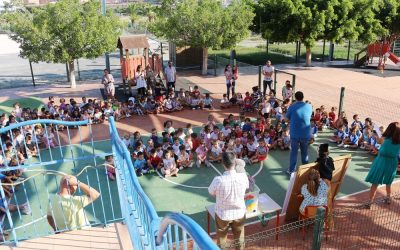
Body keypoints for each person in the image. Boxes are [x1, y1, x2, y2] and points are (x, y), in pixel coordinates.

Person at [208, 152, 249, 249]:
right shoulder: (243, 177)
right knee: (239, 238)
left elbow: (211, 192)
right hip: (239, 213)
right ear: (235, 163)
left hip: (222, 214)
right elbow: (247, 188)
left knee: (222, 239)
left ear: (223, 164)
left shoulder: (218, 180)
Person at [365, 122, 400, 208]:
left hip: (381, 161)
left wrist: (376, 135)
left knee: (375, 182)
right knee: (388, 182)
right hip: (392, 163)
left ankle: (370, 202)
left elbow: (378, 141)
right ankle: (388, 198)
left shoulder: (384, 139)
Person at [285, 91, 312, 175]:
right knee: (305, 152)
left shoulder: (292, 107)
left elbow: (286, 119)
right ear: (303, 97)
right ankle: (305, 169)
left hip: (295, 134)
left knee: (294, 152)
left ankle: (292, 170)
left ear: (295, 98)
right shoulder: (309, 106)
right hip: (305, 133)